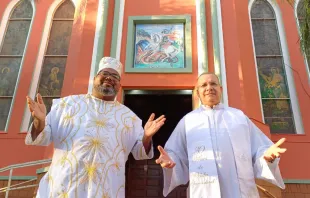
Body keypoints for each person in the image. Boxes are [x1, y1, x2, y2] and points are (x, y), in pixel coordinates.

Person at [25, 57, 166, 198]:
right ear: (94, 78)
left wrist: (147, 136)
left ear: (119, 85)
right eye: (105, 74)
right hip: (63, 187)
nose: (109, 78)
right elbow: (43, 137)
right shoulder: (66, 105)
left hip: (106, 190)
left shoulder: (129, 118)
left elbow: (139, 152)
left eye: (115, 76)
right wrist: (39, 121)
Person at [155, 72, 286, 198]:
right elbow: (176, 155)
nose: (209, 88)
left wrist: (267, 157)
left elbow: (259, 150)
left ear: (220, 89)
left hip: (240, 191)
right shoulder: (188, 121)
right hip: (204, 191)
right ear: (197, 92)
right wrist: (170, 162)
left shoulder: (239, 117)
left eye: (213, 84)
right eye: (204, 85)